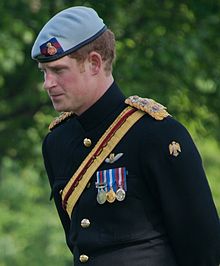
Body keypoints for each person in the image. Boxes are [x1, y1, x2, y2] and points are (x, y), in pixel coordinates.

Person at [31, 6, 220, 266]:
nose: (48, 83)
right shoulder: (57, 142)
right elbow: (81, 246)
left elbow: (202, 248)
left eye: (58, 70)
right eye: (44, 72)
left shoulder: (158, 134)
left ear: (94, 63)